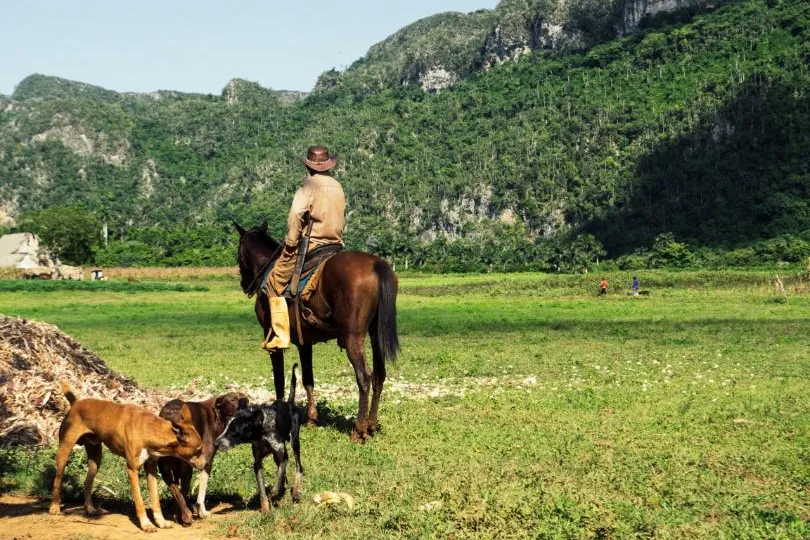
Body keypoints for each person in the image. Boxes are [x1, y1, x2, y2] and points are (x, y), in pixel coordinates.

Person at [262, 146, 346, 351]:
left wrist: (290, 244)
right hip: (336, 245)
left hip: (313, 245)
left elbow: (296, 215)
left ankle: (281, 335)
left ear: (309, 166)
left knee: (274, 281)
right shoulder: (338, 186)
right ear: (328, 165)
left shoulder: (308, 186)